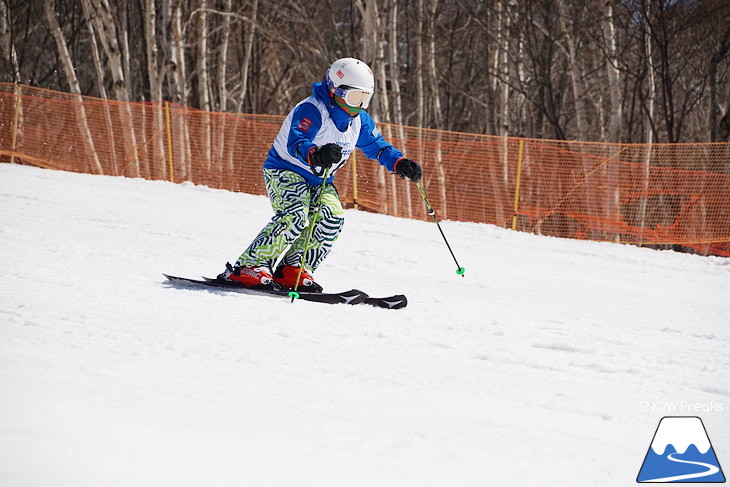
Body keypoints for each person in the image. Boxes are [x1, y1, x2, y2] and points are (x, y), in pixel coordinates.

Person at [218, 57, 422, 292]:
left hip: (320, 180)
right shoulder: (312, 109)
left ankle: (293, 268)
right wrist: (316, 153)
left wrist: (399, 162)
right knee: (296, 213)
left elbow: (377, 146)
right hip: (285, 170)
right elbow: (297, 140)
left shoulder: (359, 120)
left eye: (365, 99)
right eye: (355, 98)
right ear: (336, 89)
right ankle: (248, 266)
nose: (359, 106)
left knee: (332, 217)